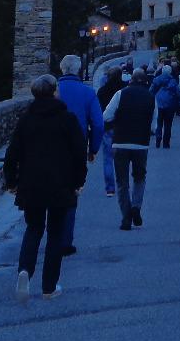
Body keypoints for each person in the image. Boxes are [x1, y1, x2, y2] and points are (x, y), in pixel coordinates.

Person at [3, 75, 86, 302]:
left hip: (32, 184)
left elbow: (12, 154)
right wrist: (79, 181)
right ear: (54, 91)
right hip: (61, 184)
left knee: (33, 228)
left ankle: (25, 271)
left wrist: (11, 181)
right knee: (56, 233)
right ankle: (49, 287)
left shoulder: (26, 119)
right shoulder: (67, 119)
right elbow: (79, 153)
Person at [55, 55, 104, 256]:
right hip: (76, 150)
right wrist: (93, 149)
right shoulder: (87, 92)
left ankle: (51, 236)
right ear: (78, 69)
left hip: (48, 148)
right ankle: (65, 241)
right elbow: (98, 124)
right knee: (71, 192)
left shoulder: (52, 90)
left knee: (49, 191)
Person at [103, 69, 155, 230]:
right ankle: (136, 207)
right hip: (140, 144)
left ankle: (126, 217)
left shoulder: (120, 94)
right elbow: (155, 125)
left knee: (122, 182)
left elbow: (106, 116)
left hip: (120, 142)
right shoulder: (150, 97)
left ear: (130, 80)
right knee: (139, 177)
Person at [95, 66, 123, 197]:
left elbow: (98, 111)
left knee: (107, 159)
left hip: (107, 127)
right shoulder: (124, 90)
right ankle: (123, 185)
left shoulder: (102, 91)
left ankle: (110, 189)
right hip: (122, 128)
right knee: (122, 158)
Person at [151, 64, 179, 148]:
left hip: (158, 104)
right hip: (170, 104)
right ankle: (166, 143)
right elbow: (177, 93)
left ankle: (158, 138)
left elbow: (151, 91)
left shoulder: (156, 79)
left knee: (159, 123)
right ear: (170, 72)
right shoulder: (173, 81)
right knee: (168, 124)